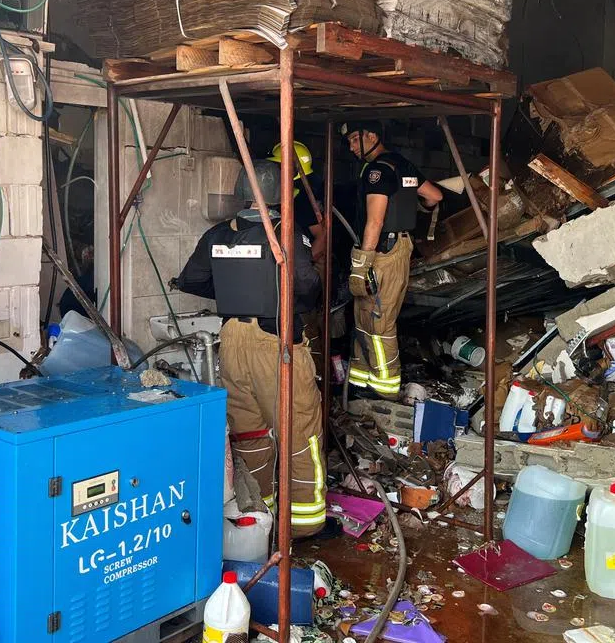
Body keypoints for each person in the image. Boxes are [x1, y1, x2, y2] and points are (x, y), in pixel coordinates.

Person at [171, 159, 326, 537]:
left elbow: (192, 280)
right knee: (299, 429)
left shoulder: (217, 234)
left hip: (232, 341)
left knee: (249, 431)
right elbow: (307, 289)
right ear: (278, 194)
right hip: (273, 342)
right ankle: (305, 525)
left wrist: (231, 292)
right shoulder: (284, 232)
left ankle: (260, 514)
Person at [343, 121, 442, 397]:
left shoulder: (377, 170)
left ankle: (384, 390)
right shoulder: (402, 164)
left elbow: (374, 221)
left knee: (377, 321)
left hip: (381, 252)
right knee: (366, 317)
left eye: (354, 139)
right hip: (398, 247)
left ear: (372, 135)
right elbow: (434, 196)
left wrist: (363, 261)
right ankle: (362, 381)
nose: (351, 147)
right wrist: (413, 208)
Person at [268, 141, 325, 267]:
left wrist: (302, 268)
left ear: (293, 168)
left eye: (279, 166)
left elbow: (322, 237)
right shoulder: (288, 194)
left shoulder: (302, 199)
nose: (275, 171)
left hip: (303, 267)